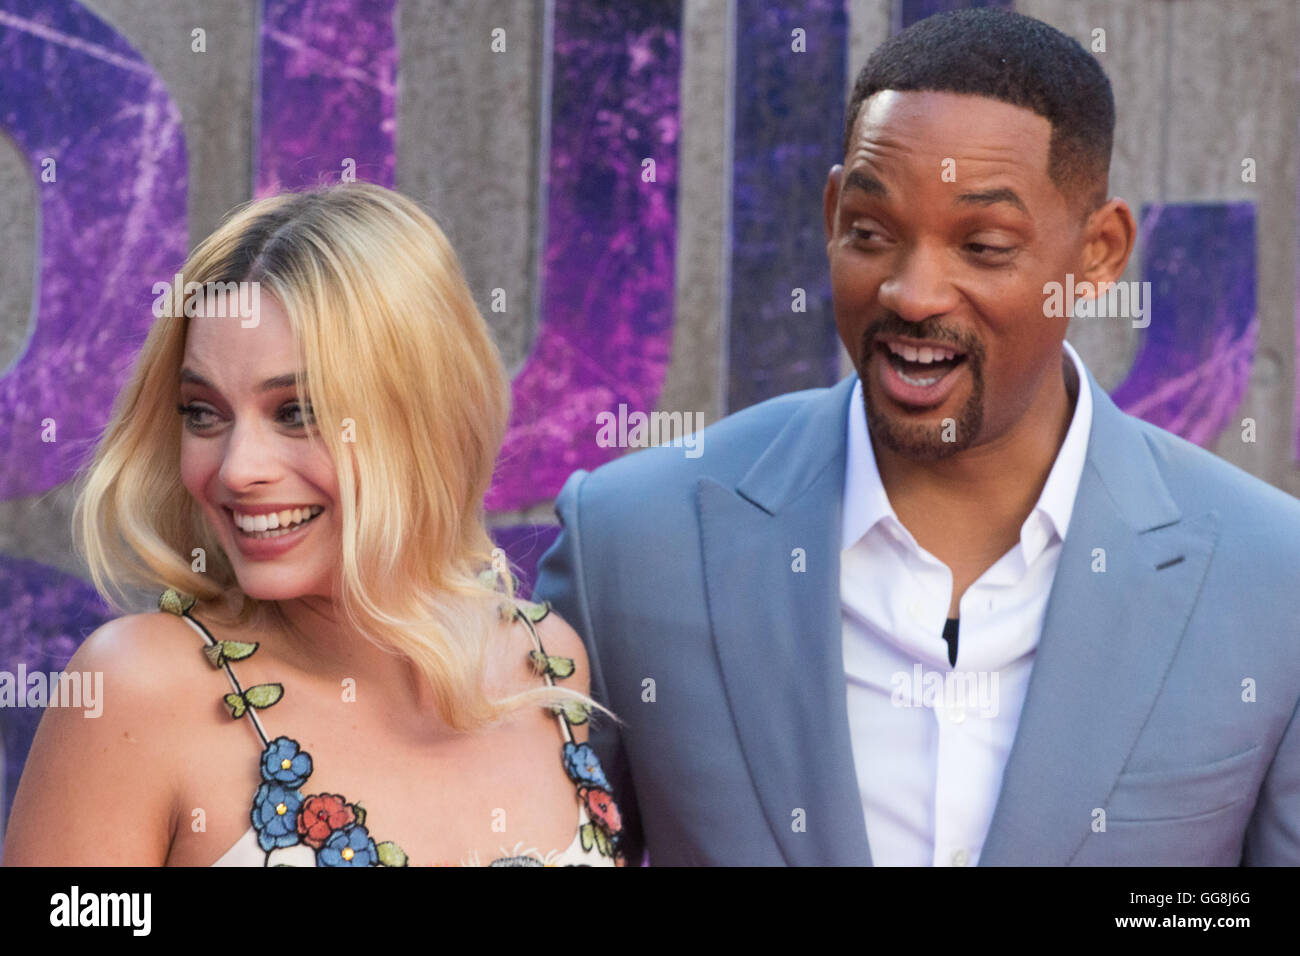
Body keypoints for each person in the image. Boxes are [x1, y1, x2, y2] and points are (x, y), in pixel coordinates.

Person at [532, 8, 1300, 865]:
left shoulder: (1273, 579)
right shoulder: (632, 542)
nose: (912, 291)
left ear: (1100, 253)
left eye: (983, 244)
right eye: (871, 232)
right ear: (830, 214)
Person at [3, 183, 625, 867]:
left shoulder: (547, 660)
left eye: (297, 411)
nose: (238, 469)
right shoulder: (137, 690)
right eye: (203, 412)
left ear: (428, 418)